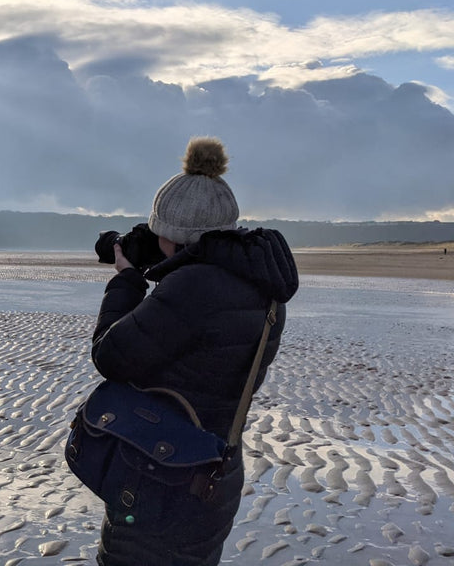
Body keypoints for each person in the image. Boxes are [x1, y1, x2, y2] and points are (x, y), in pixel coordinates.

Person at [90, 137, 299, 565]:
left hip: (162, 472)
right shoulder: (263, 283)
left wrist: (127, 280)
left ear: (172, 235)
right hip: (215, 470)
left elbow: (109, 356)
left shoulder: (193, 287)